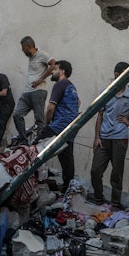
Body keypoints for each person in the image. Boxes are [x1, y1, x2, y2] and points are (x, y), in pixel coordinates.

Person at [89, 61, 129, 207]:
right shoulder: (105, 93)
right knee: (95, 170)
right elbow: (100, 115)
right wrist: (96, 137)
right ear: (116, 75)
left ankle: (115, 203)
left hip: (120, 138)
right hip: (103, 139)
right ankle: (99, 200)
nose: (128, 77)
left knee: (117, 173)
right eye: (125, 74)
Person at [39, 60, 79, 192]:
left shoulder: (60, 84)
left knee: (34, 151)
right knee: (67, 159)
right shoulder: (72, 87)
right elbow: (78, 103)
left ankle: (26, 180)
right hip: (71, 128)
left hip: (58, 126)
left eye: (55, 69)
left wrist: (47, 124)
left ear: (62, 71)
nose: (52, 71)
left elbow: (50, 108)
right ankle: (68, 189)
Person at [12, 36, 56, 144]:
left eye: (23, 48)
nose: (22, 50)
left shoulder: (42, 54)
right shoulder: (31, 57)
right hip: (27, 92)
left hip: (38, 91)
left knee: (39, 119)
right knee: (17, 114)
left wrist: (41, 79)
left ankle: (39, 142)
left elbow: (53, 64)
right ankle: (23, 140)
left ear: (30, 47)